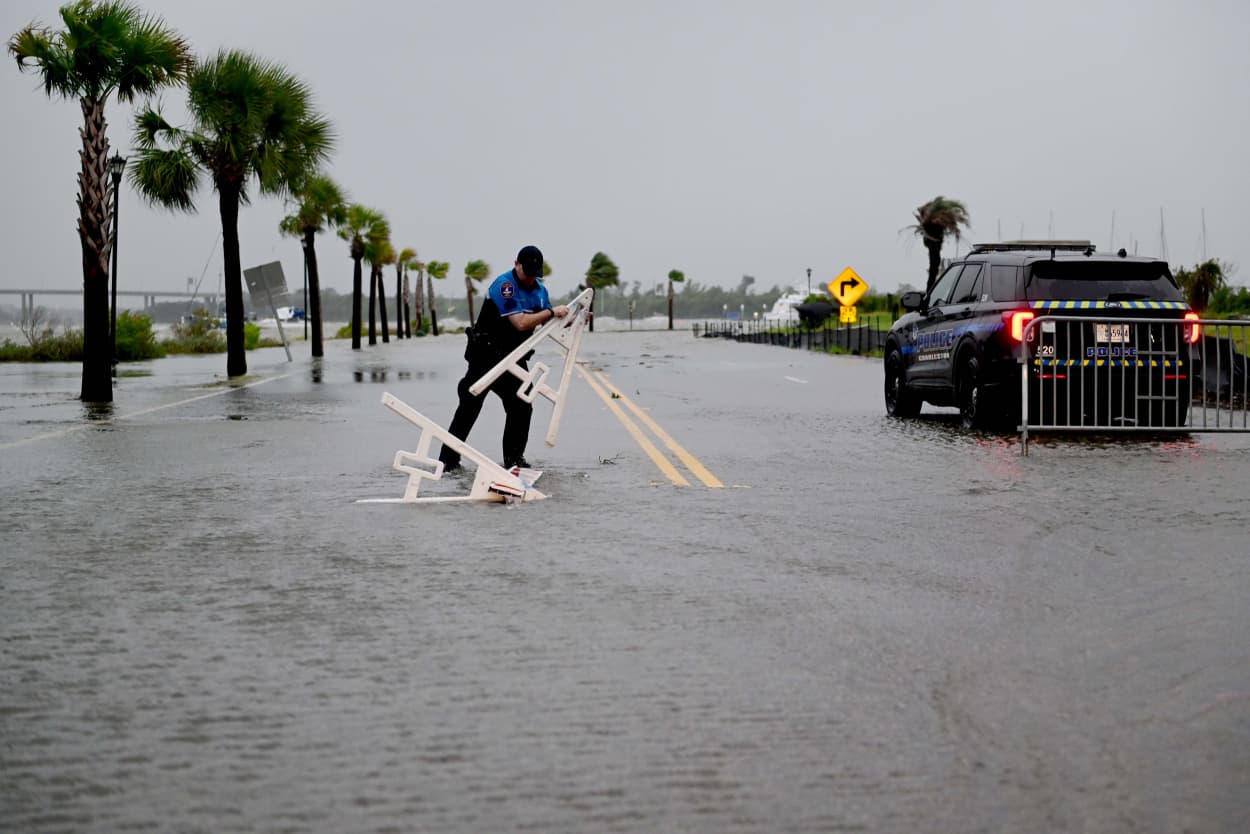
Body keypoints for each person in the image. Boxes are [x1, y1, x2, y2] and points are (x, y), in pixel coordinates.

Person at [438, 245, 570, 472]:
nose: (530, 278)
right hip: (486, 357)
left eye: (534, 274)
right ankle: (447, 463)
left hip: (514, 358)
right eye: (526, 272)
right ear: (516, 264)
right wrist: (551, 313)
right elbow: (520, 323)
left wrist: (573, 319)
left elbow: (549, 323)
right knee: (469, 405)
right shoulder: (504, 285)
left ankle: (514, 461)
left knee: (522, 406)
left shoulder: (540, 291)